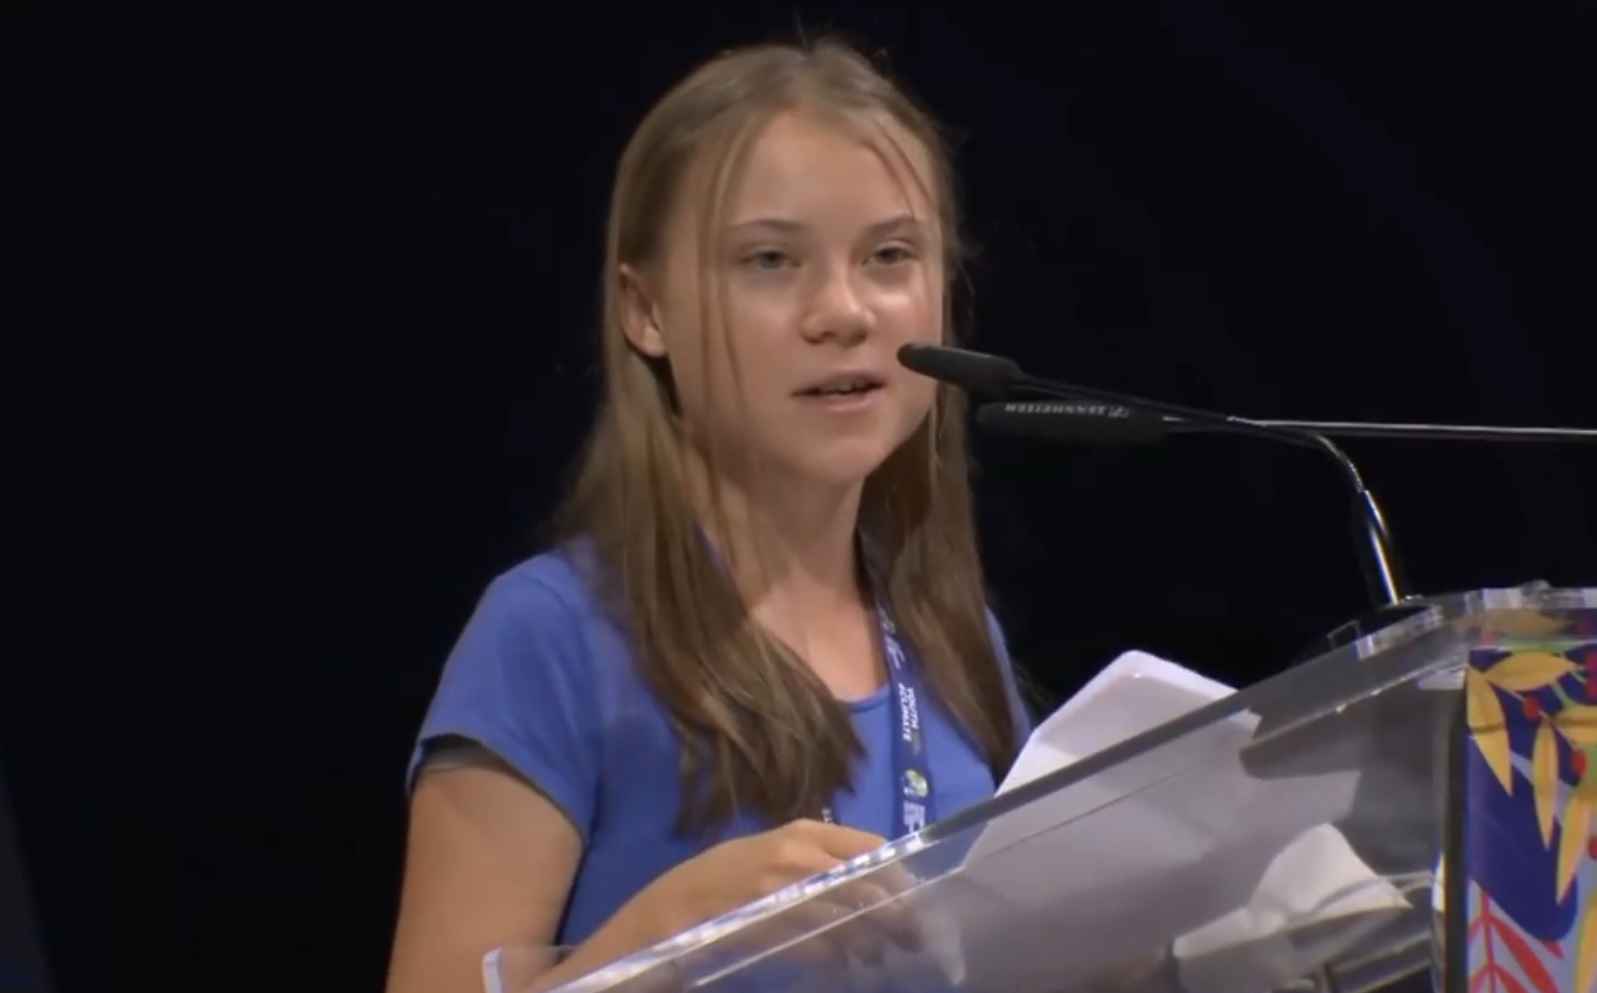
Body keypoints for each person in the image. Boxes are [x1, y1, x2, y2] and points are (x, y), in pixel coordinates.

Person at [384, 37, 1034, 993]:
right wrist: (676, 928)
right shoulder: (552, 636)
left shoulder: (952, 639)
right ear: (646, 310)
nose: (843, 311)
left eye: (889, 256)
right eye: (770, 260)